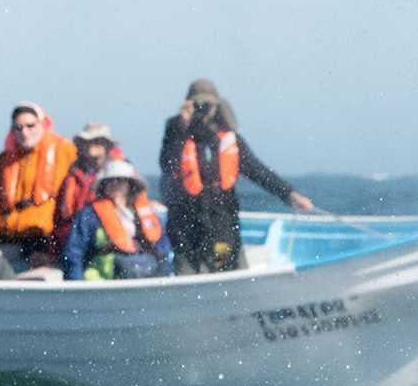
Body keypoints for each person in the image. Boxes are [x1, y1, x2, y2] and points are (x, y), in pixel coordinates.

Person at [158, 78, 313, 273]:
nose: (203, 109)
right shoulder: (175, 132)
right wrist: (181, 125)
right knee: (188, 272)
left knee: (225, 267)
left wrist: (290, 195)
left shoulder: (229, 139)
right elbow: (167, 164)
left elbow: (258, 171)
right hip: (186, 228)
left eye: (207, 104)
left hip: (221, 225)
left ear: (217, 106)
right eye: (198, 104)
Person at [0, 102, 75, 269]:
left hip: (46, 239)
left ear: (42, 124)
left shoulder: (64, 151)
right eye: (18, 127)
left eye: (30, 126)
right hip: (8, 237)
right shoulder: (3, 161)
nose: (25, 132)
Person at [61, 159, 174, 282]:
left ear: (130, 185)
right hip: (104, 279)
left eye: (121, 181)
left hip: (145, 275)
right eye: (111, 181)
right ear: (104, 185)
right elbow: (74, 251)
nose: (116, 185)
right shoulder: (89, 215)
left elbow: (163, 249)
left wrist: (164, 277)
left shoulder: (146, 212)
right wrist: (76, 283)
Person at [52, 121, 118, 255]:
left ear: (107, 146)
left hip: (111, 242)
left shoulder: (121, 175)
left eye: (98, 142)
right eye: (88, 142)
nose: (92, 148)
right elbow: (58, 220)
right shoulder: (71, 178)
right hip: (75, 243)